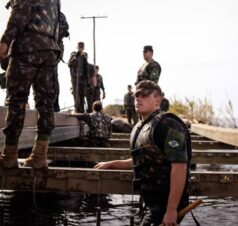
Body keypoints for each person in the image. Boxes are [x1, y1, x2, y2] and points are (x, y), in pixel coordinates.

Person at [94, 80, 191, 225]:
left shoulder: (168, 125)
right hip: (151, 201)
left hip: (165, 203)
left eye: (144, 95)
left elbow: (179, 167)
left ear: (157, 100)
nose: (138, 98)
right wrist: (111, 164)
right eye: (136, 95)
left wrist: (171, 209)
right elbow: (142, 160)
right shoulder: (141, 126)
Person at [0, 0, 61, 168]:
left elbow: (19, 14)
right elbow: (61, 22)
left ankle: (9, 155)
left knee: (17, 101)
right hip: (50, 51)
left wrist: (4, 42)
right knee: (46, 103)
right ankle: (40, 155)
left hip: (27, 47)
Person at [54, 12, 70, 112]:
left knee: (52, 77)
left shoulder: (58, 13)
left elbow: (64, 29)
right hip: (37, 49)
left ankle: (55, 105)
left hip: (52, 49)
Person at [68, 42, 88, 113]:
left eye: (82, 47)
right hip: (75, 78)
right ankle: (77, 109)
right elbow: (70, 63)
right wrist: (77, 55)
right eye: (79, 47)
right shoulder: (73, 54)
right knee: (76, 95)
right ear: (77, 47)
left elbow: (87, 67)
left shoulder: (85, 55)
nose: (81, 49)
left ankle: (82, 110)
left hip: (83, 79)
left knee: (82, 95)